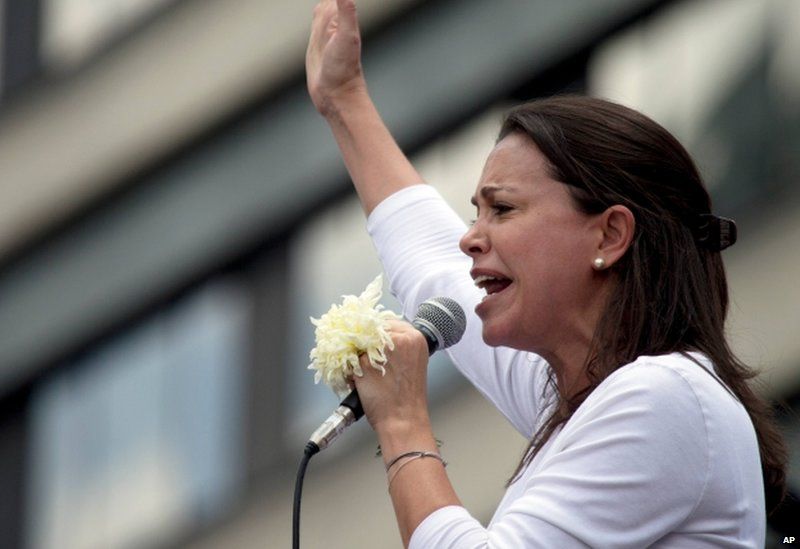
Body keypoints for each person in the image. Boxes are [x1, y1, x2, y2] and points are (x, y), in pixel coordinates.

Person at [306, 0, 788, 547]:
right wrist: (343, 101)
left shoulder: (663, 395)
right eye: (475, 213)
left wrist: (402, 424)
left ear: (609, 236)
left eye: (503, 210)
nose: (471, 237)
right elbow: (433, 262)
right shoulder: (586, 394)